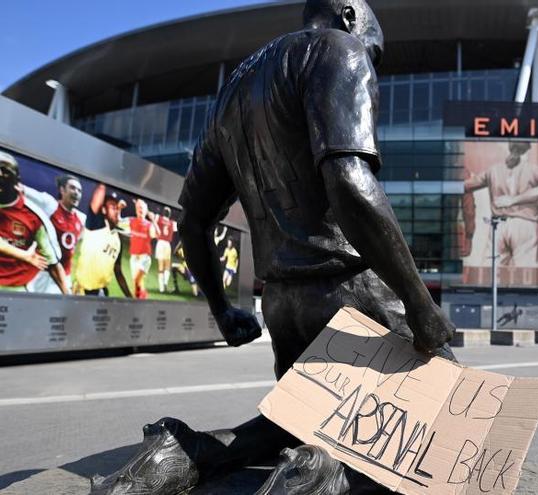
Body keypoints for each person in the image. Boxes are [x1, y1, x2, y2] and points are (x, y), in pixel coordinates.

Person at [93, 2, 455, 493]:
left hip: (284, 301)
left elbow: (194, 220)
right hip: (349, 290)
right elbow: (348, 179)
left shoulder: (235, 89)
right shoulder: (337, 49)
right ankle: (318, 476)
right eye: (376, 50)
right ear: (350, 15)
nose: (372, 61)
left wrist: (224, 311)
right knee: (447, 416)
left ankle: (182, 451)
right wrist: (418, 301)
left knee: (294, 420)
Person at [0, 152, 67, 294]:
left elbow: (53, 264)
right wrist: (25, 255)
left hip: (15, 289)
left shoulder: (34, 217)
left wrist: (69, 298)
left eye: (5, 171)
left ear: (17, 180)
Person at [73, 184, 132, 297]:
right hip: (83, 293)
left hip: (102, 292)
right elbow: (99, 192)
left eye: (117, 208)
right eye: (113, 207)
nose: (116, 210)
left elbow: (118, 271)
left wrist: (130, 297)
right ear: (104, 210)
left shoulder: (117, 239)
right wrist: (106, 179)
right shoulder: (95, 225)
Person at [126, 199, 158, 299]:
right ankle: (142, 300)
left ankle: (138, 301)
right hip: (133, 258)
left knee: (136, 280)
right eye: (138, 207)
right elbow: (118, 224)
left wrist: (153, 220)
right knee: (138, 285)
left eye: (142, 208)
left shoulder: (149, 225)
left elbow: (157, 234)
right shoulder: (131, 221)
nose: (140, 209)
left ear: (146, 211)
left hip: (144, 258)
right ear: (136, 210)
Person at [155, 206, 176, 293]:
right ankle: (165, 284)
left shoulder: (158, 218)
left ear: (163, 212)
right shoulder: (172, 223)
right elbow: (177, 229)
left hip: (160, 243)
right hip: (167, 244)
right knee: (167, 265)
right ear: (169, 214)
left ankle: (161, 288)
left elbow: (152, 217)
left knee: (160, 266)